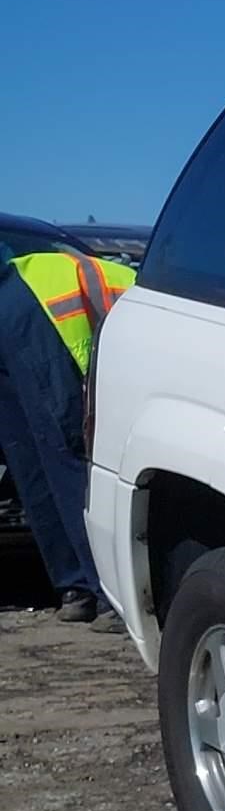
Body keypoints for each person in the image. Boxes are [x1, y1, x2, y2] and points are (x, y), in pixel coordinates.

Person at [0, 244, 130, 624]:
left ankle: (76, 587)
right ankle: (107, 594)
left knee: (29, 458)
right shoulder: (153, 286)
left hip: (21, 310)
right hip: (28, 316)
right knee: (67, 452)